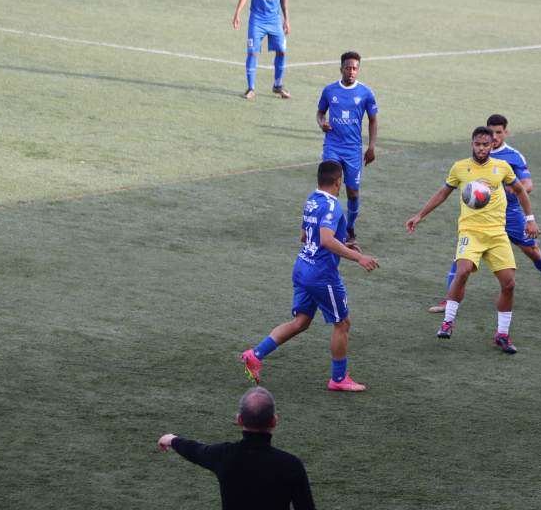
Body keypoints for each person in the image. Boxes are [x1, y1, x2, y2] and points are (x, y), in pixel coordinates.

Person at [241, 160, 380, 391]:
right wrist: (359, 258)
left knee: (302, 322)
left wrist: (343, 243)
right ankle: (338, 379)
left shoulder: (312, 200)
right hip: (321, 274)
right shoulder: (333, 206)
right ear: (338, 181)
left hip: (302, 266)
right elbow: (325, 240)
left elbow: (305, 237)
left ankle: (255, 355)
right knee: (343, 323)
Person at [406, 127, 540, 353]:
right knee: (463, 271)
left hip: (497, 233)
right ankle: (448, 323)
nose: (481, 148)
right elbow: (442, 193)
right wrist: (419, 215)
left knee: (509, 284)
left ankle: (502, 335)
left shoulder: (502, 167)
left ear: (492, 145)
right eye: (478, 144)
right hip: (470, 231)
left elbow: (520, 190)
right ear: (472, 144)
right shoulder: (460, 168)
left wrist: (530, 220)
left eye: (486, 144)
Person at [428, 115, 541, 314]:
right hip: (480, 218)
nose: (494, 137)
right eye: (491, 132)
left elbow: (527, 184)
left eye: (499, 132)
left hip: (510, 216)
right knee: (461, 258)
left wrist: (516, 189)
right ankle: (448, 300)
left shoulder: (513, 156)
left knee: (533, 252)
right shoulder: (478, 153)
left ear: (505, 132)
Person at [157, 387, 316, 510]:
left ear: (239, 420)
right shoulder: (291, 465)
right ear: (274, 422)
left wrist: (172, 439)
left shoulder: (223, 455)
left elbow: (194, 450)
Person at [316, 52, 379, 244]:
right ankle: (325, 226)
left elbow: (373, 120)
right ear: (341, 68)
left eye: (355, 68)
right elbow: (320, 113)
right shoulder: (329, 90)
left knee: (352, 192)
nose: (352, 72)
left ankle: (350, 227)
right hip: (332, 147)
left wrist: (371, 147)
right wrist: (322, 124)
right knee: (329, 188)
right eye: (348, 68)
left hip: (353, 149)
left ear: (358, 69)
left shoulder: (365, 93)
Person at [234, 0, 291, 99]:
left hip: (275, 21)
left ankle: (277, 85)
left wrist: (286, 19)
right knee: (252, 52)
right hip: (257, 20)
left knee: (282, 51)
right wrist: (237, 13)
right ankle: (251, 88)